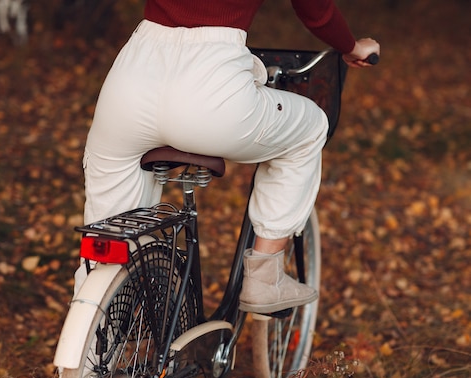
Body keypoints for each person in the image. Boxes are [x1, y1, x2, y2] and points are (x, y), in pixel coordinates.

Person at [77, 0, 380, 314]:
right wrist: (350, 45)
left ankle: (89, 339)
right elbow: (316, 10)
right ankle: (265, 278)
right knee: (311, 126)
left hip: (131, 79)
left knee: (108, 236)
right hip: (211, 86)